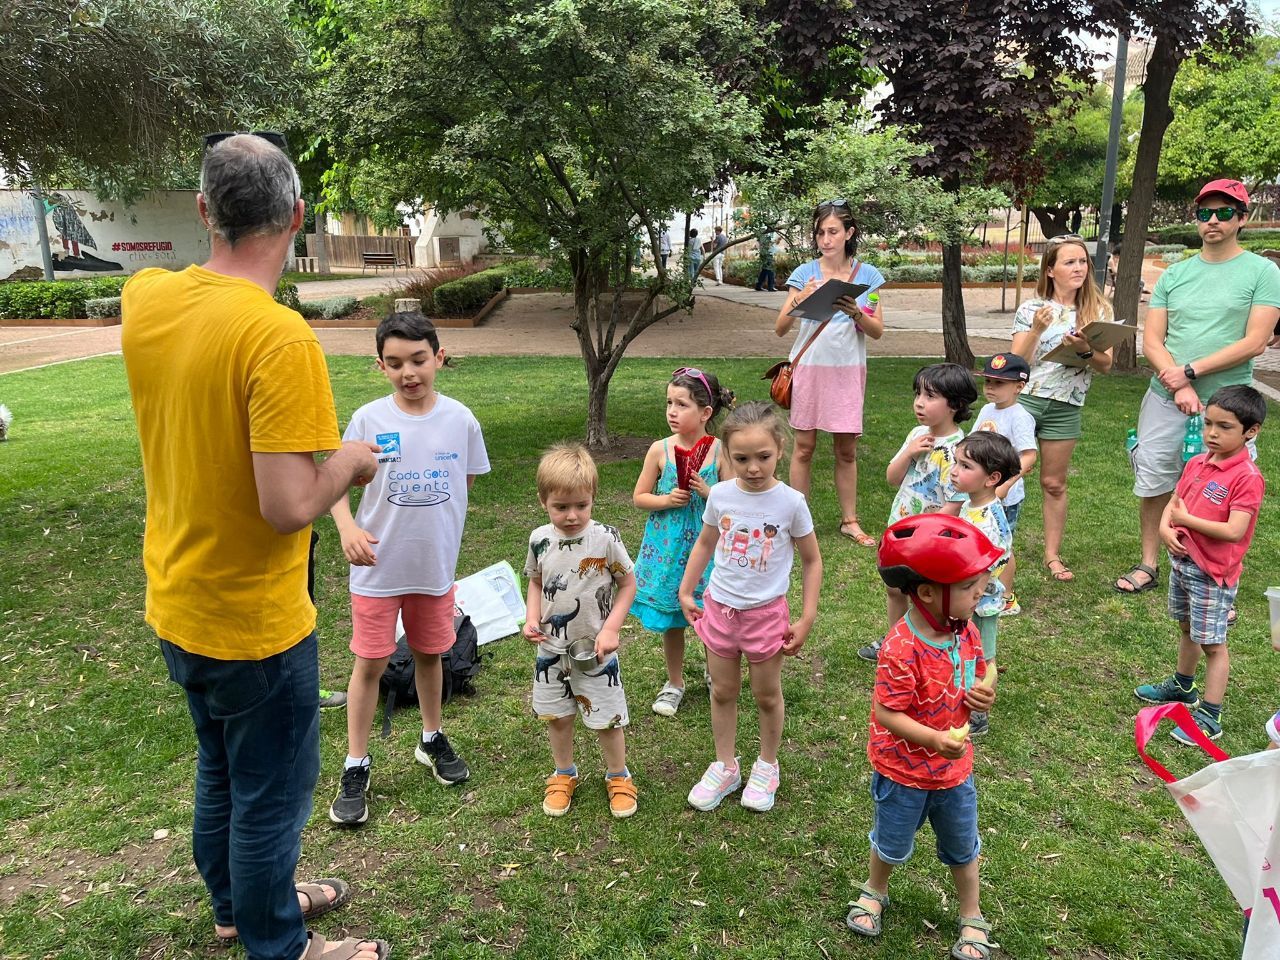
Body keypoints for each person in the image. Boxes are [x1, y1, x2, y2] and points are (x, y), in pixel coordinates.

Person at [120, 133, 388, 960]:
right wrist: (350, 457)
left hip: (177, 599)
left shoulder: (147, 298)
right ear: (298, 218)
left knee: (223, 772)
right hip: (254, 624)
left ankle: (239, 906)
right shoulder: (278, 338)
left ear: (204, 210)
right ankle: (280, 944)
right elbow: (288, 506)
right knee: (269, 796)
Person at [327, 310, 490, 828]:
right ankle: (356, 763)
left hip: (432, 571)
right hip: (377, 571)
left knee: (430, 655)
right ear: (380, 366)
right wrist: (348, 528)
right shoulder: (368, 421)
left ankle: (431, 736)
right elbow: (334, 484)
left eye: (418, 360)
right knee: (371, 664)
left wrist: (437, 541)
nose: (409, 373)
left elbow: (461, 486)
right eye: (394, 363)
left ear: (439, 357)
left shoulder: (460, 419)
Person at [845, 514, 1000, 960]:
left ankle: (971, 914)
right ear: (930, 593)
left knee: (962, 846)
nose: (980, 595)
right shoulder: (901, 648)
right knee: (891, 841)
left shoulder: (963, 628)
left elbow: (982, 667)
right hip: (903, 772)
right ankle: (875, 889)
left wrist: (985, 691)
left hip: (954, 773)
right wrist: (933, 741)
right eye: (972, 588)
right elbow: (886, 712)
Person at [1118, 179, 1280, 597]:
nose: (1212, 220)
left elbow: (1255, 340)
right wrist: (1177, 383)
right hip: (1165, 394)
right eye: (1205, 212)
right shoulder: (1176, 273)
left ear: (1241, 219)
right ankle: (1150, 562)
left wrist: (1188, 373)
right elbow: (1152, 340)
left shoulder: (1263, 272)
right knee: (1155, 478)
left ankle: (1210, 566)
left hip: (1228, 397)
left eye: (1224, 212)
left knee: (1223, 484)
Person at [679, 401, 823, 813]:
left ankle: (767, 765)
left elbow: (812, 560)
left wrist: (807, 615)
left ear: (780, 448)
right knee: (722, 691)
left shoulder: (791, 502)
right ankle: (726, 765)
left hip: (765, 616)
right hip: (720, 611)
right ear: (727, 455)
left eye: (763, 457)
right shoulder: (721, 496)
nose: (754, 467)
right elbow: (706, 543)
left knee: (766, 694)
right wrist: (687, 591)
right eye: (741, 458)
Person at [1134, 385, 1266, 743]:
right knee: (1188, 628)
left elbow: (1234, 530)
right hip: (1182, 566)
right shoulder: (1197, 462)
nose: (1212, 433)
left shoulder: (1247, 478)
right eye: (1208, 423)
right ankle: (1183, 685)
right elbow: (1174, 501)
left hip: (1212, 574)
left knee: (1213, 644)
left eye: (1224, 427)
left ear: (1250, 431)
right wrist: (1164, 528)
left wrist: (1186, 522)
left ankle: (1211, 714)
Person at [522, 444, 639, 818]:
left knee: (607, 717)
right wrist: (531, 616)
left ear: (593, 499)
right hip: (551, 650)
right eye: (561, 507)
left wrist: (611, 629)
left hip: (596, 651)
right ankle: (563, 773)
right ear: (544, 502)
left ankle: (618, 775)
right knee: (557, 716)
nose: (572, 515)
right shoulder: (539, 539)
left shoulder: (605, 538)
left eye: (581, 505)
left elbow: (628, 584)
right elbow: (537, 582)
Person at [775, 199, 886, 547]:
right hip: (809, 370)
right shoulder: (804, 274)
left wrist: (856, 312)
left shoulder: (867, 276)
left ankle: (849, 521)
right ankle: (797, 522)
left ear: (849, 233)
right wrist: (799, 299)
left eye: (833, 231)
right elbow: (779, 328)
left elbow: (878, 331)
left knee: (846, 450)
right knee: (803, 448)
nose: (825, 239)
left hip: (847, 372)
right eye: (821, 232)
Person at [1011, 233, 1115, 585]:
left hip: (1066, 406)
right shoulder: (1031, 309)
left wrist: (1086, 348)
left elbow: (1104, 365)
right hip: (1025, 401)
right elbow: (1017, 363)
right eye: (1069, 262)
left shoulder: (1098, 310)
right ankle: (994, 543)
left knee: (1054, 483)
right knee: (1006, 475)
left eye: (1082, 261)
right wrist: (1037, 331)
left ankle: (1052, 555)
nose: (1079, 268)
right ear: (1051, 270)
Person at [632, 367, 734, 717]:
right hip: (668, 547)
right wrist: (666, 500)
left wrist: (709, 493)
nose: (672, 411)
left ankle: (714, 674)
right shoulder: (659, 450)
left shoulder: (721, 452)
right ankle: (674, 682)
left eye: (682, 404)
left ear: (706, 412)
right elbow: (640, 496)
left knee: (708, 614)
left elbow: (735, 503)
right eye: (669, 403)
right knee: (673, 618)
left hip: (707, 549)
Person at [859, 363, 976, 662]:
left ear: (955, 405)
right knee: (894, 590)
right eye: (918, 393)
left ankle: (929, 649)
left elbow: (954, 504)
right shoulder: (916, 434)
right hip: (899, 530)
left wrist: (928, 540)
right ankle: (894, 642)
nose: (919, 402)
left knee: (928, 599)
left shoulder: (958, 452)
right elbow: (891, 478)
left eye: (930, 396)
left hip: (928, 541)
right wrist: (909, 452)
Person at [942, 432, 1020, 735]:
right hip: (964, 598)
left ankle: (978, 714)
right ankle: (959, 699)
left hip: (980, 604)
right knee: (962, 653)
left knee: (983, 658)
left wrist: (968, 599)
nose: (955, 471)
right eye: (956, 463)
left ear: (992, 478)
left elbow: (987, 567)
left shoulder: (989, 520)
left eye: (965, 466)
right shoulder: (971, 505)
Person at [969, 354, 1038, 616]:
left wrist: (1007, 484)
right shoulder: (988, 410)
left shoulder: (1020, 417)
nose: (990, 388)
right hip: (982, 491)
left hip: (1004, 496)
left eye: (998, 383)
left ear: (1019, 387)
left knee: (1002, 546)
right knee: (984, 540)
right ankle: (984, 588)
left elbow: (1028, 455)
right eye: (988, 381)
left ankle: (1007, 597)